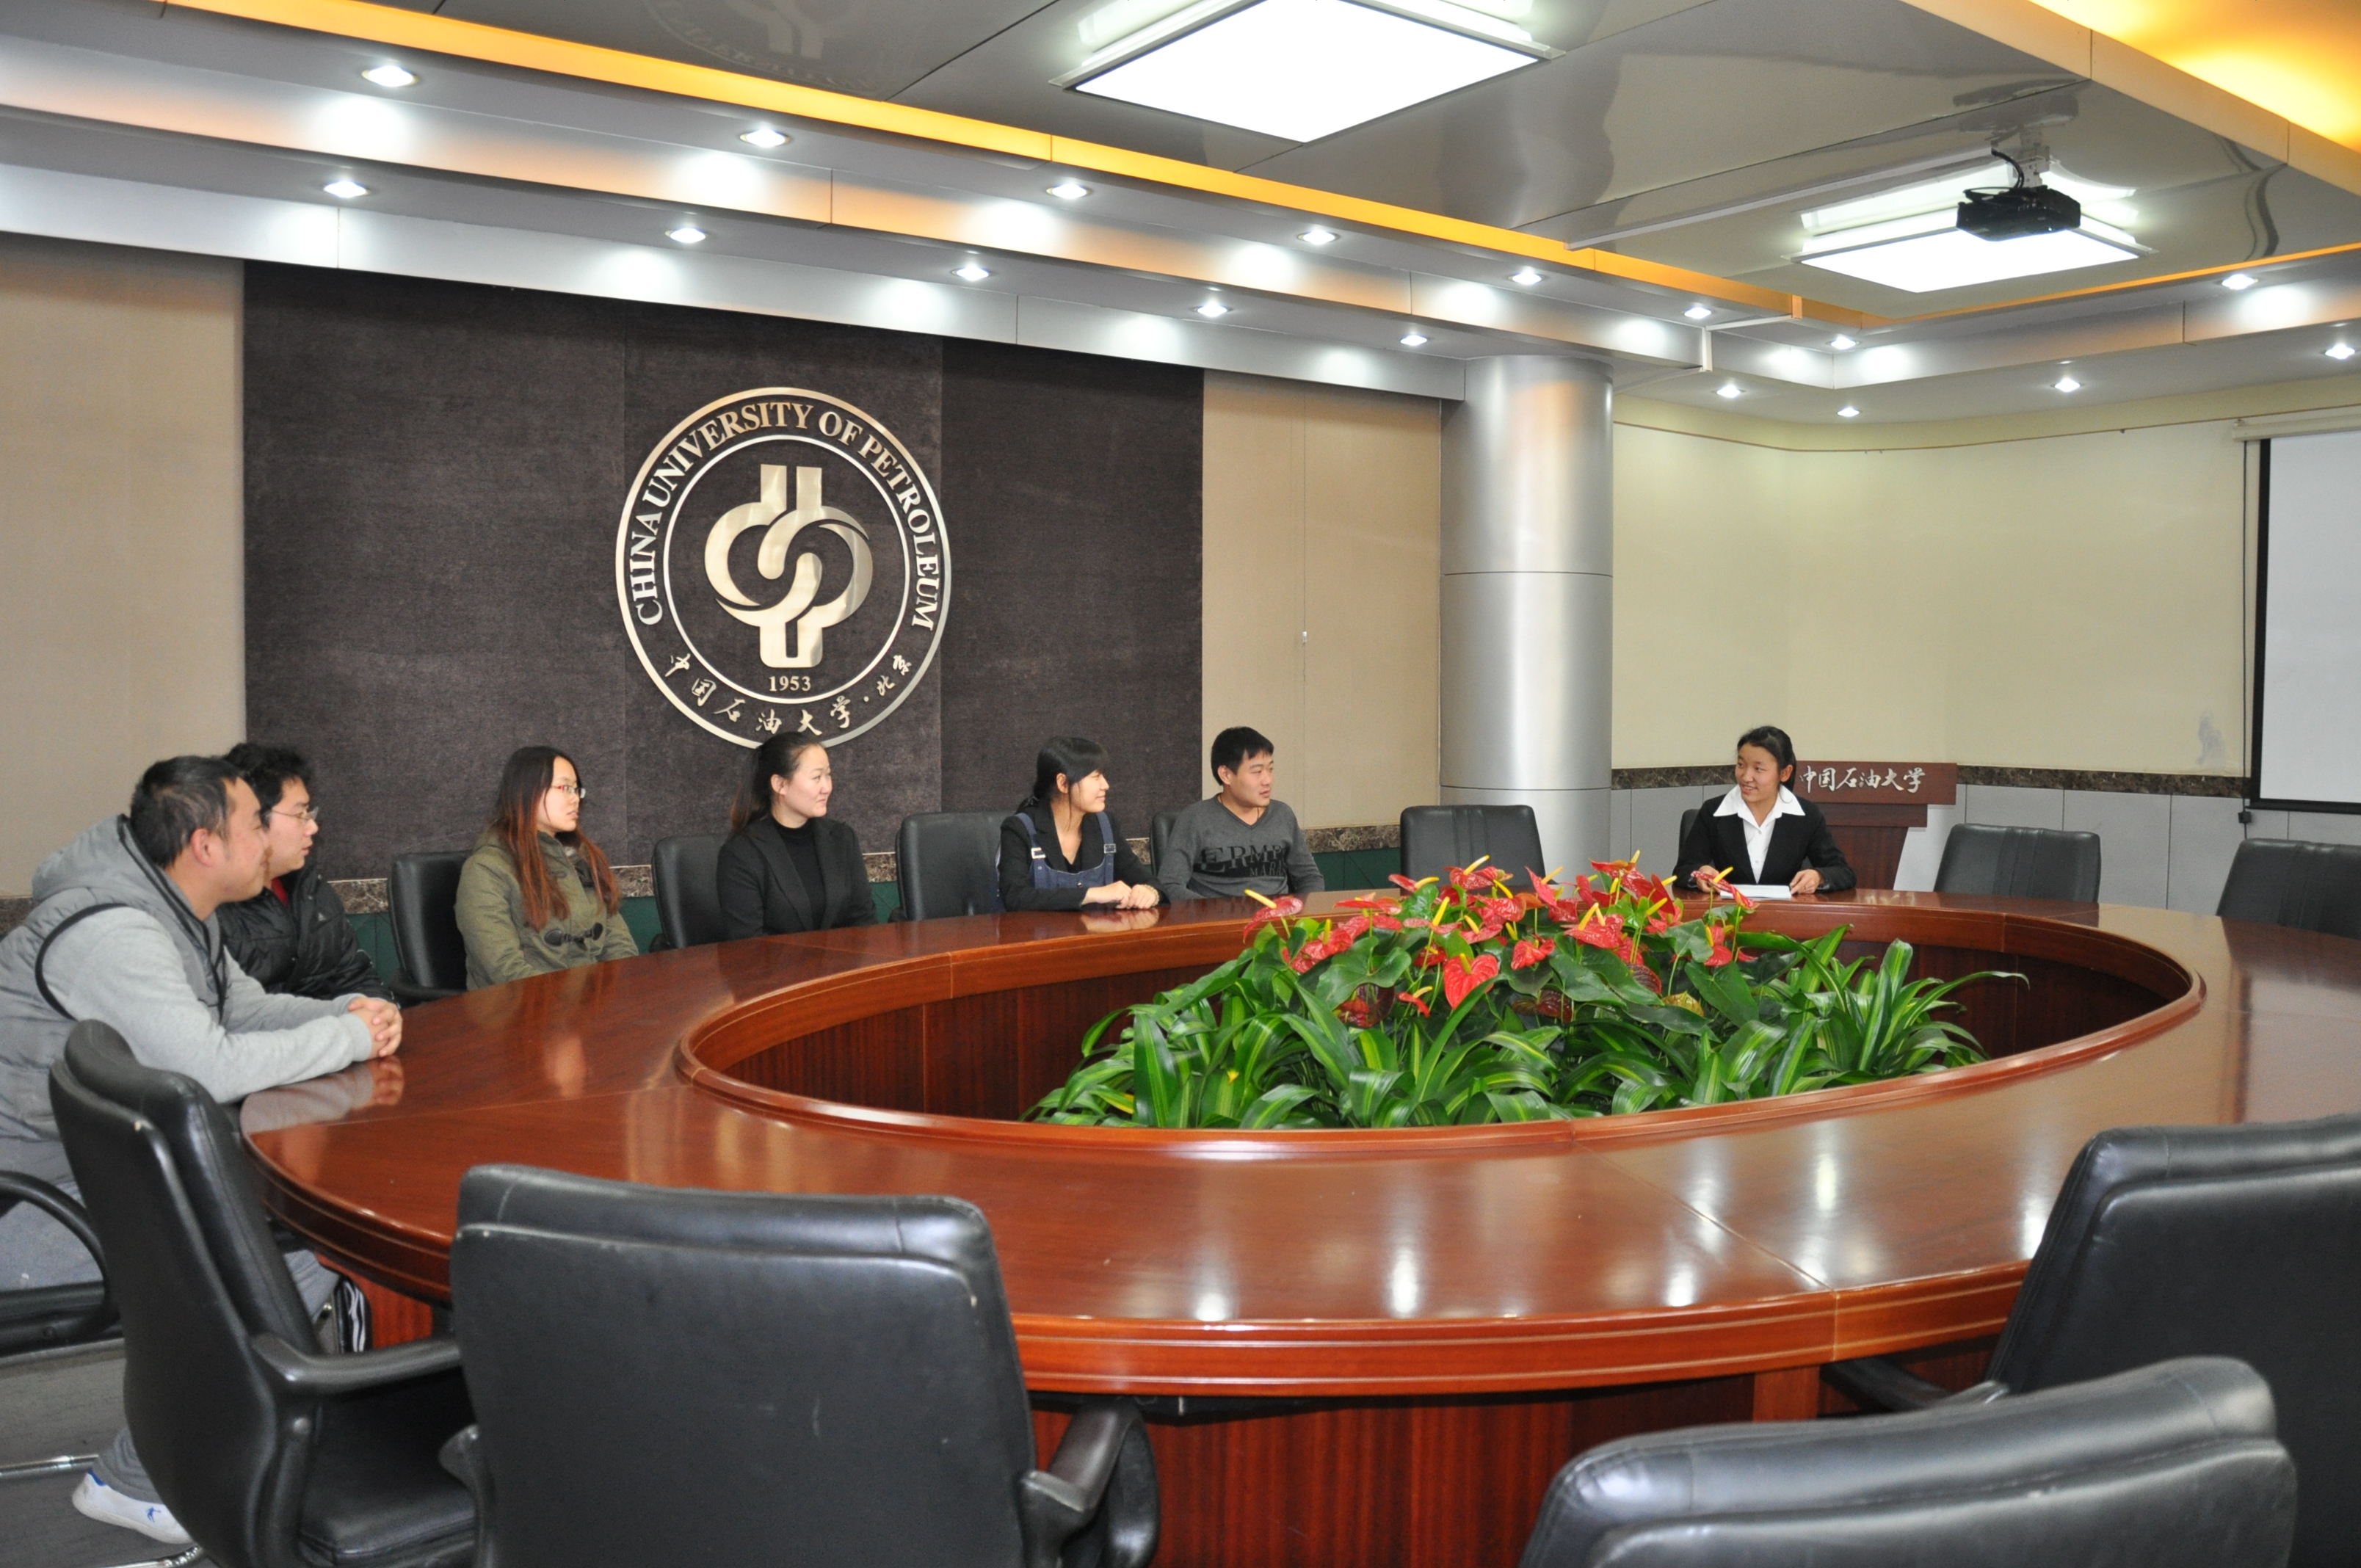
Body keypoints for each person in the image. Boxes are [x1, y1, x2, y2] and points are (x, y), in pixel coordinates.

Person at [0, 755, 400, 1545]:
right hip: (24, 1210)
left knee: (293, 1233)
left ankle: (233, 1438)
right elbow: (206, 1065)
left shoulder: (177, 912)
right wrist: (349, 1039)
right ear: (205, 844)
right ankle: (136, 1478)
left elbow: (243, 1014)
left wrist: (347, 1014)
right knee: (281, 1251)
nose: (275, 838)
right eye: (257, 823)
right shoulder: (113, 934)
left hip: (79, 1181)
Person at [217, 742, 394, 1003]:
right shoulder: (212, 906)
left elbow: (355, 977)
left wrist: (379, 1011)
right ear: (252, 818)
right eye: (300, 814)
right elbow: (240, 1014)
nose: (312, 827)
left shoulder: (311, 889)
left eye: (310, 813)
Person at [455, 746, 639, 990]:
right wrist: (573, 1003)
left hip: (589, 1002)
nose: (575, 798)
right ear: (527, 792)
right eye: (565, 788)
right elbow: (504, 968)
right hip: (519, 1006)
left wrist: (621, 989)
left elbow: (618, 944)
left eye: (577, 789)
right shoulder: (486, 870)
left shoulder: (581, 860)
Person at [717, 734, 877, 938]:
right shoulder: (741, 854)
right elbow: (749, 944)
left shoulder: (842, 838)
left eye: (828, 775)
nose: (827, 788)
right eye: (817, 777)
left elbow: (864, 922)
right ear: (780, 784)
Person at [1675, 725, 1856, 896]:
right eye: (1741, 765)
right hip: (1727, 913)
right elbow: (1683, 869)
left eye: (1759, 769)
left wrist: (1818, 876)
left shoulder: (1807, 815)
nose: (1746, 777)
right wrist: (1700, 874)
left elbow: (1842, 872)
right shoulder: (1713, 811)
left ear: (1784, 773)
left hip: (1785, 914)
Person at [1158, 726, 1324, 903]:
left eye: (1270, 769)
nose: (1267, 780)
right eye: (1257, 772)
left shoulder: (1283, 815)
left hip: (1278, 917)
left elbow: (1309, 877)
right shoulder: (1195, 819)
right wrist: (1212, 912)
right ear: (1226, 775)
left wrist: (1297, 909)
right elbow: (1170, 885)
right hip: (1217, 919)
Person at [998, 737, 1161, 912]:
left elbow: (1149, 881)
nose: (1106, 785)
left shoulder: (1106, 826)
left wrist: (1150, 892)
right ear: (1063, 783)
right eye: (1096, 777)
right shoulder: (1019, 829)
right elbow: (1016, 897)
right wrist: (1091, 894)